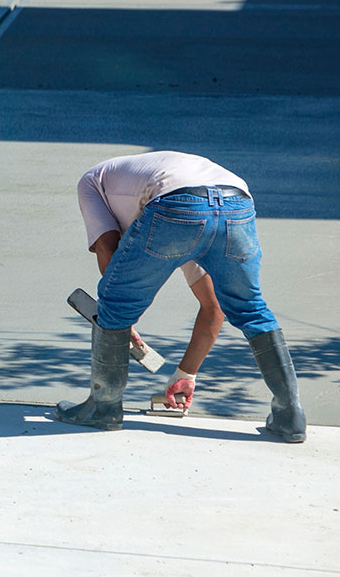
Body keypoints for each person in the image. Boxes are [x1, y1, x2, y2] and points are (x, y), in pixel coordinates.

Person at [57, 150, 306, 443]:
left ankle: (103, 407)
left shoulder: (92, 183)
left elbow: (108, 254)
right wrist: (186, 374)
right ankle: (291, 415)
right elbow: (214, 309)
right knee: (250, 308)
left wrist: (120, 323)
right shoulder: (176, 219)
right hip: (236, 203)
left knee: (114, 303)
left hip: (176, 205)